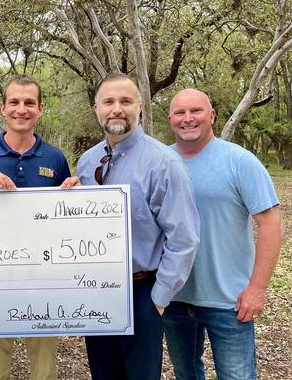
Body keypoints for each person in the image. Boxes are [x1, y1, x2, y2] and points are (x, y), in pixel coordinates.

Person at [74, 73, 200, 379]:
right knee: (103, 372)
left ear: (139, 107)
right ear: (97, 109)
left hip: (142, 290)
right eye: (109, 102)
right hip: (96, 288)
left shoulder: (162, 163)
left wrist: (157, 300)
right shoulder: (88, 162)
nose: (117, 108)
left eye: (126, 101)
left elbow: (183, 238)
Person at [164, 88, 283, 380]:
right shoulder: (160, 162)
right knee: (186, 374)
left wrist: (257, 289)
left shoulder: (239, 161)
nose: (188, 119)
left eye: (196, 111)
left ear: (212, 116)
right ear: (170, 119)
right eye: (180, 113)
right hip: (175, 298)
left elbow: (271, 224)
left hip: (230, 301)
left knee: (237, 376)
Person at [0, 74, 71, 380]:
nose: (21, 109)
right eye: (15, 102)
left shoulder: (55, 158)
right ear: (2, 108)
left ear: (40, 109)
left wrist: (75, 193)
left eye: (29, 103)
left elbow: (67, 218)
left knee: (45, 369)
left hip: (44, 276)